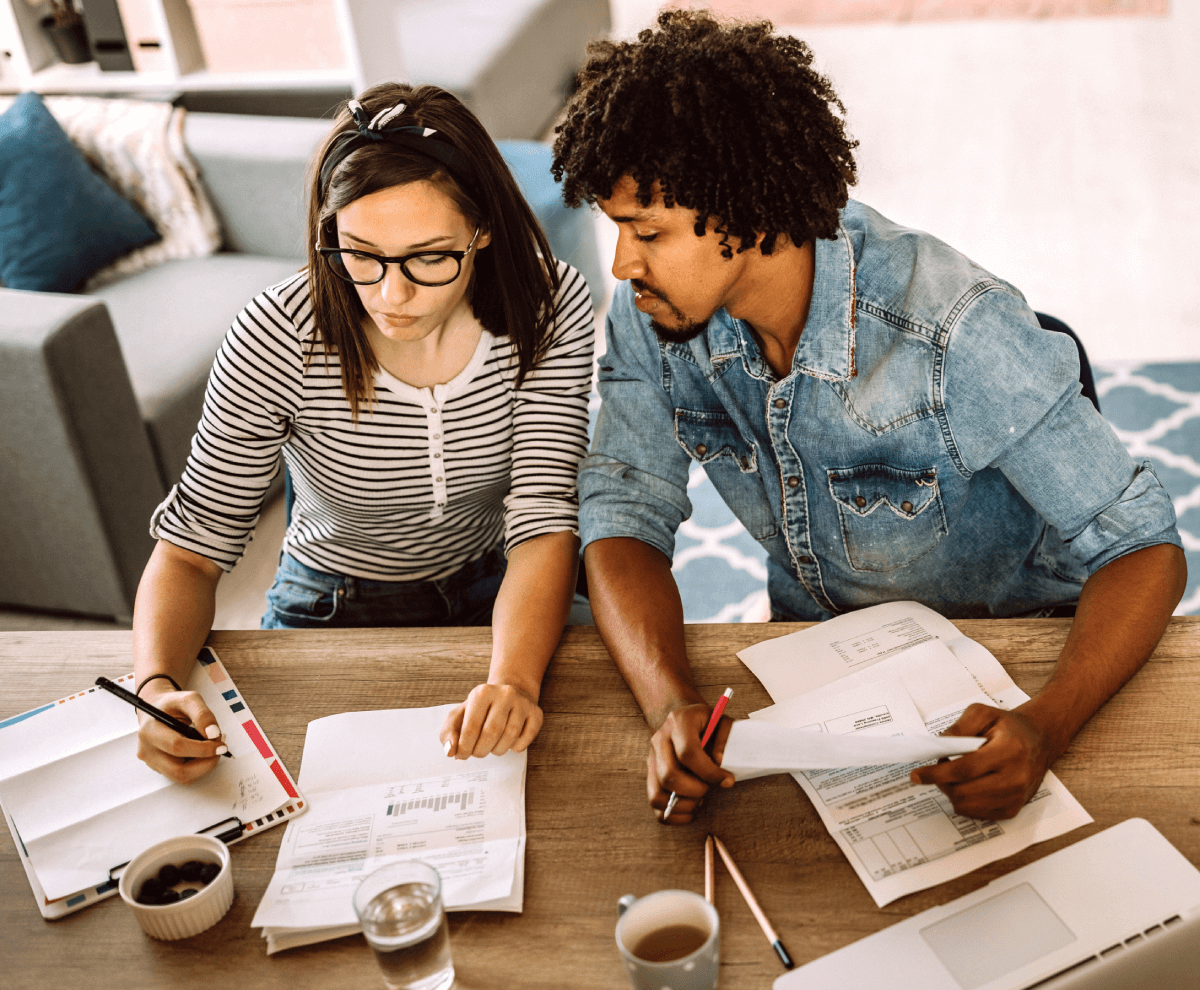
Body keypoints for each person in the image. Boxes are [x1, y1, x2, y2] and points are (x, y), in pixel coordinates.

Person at [550, 11, 1185, 824]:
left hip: (1016, 665)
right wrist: (669, 702)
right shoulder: (651, 313)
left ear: (745, 214)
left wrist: (1046, 724)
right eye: (616, 228)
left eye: (647, 231)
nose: (622, 263)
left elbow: (1144, 548)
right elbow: (623, 512)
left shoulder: (952, 330)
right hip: (822, 674)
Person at [132, 83, 594, 784]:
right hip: (332, 605)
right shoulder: (277, 334)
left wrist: (515, 682)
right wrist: (155, 688)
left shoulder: (548, 306)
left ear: (485, 229)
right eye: (361, 254)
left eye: (430, 257)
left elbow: (542, 521)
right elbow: (195, 548)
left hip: (503, 586)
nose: (390, 295)